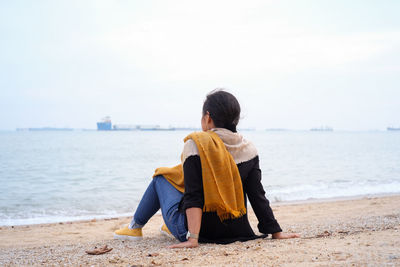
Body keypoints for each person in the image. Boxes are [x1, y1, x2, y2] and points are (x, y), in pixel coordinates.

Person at [114, 89, 300, 248]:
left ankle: (134, 227)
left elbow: (193, 195)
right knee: (178, 179)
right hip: (237, 229)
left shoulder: (196, 145)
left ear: (208, 117)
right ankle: (164, 227)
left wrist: (192, 239)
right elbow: (257, 194)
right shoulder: (248, 148)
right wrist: (275, 231)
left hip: (201, 232)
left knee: (160, 178)